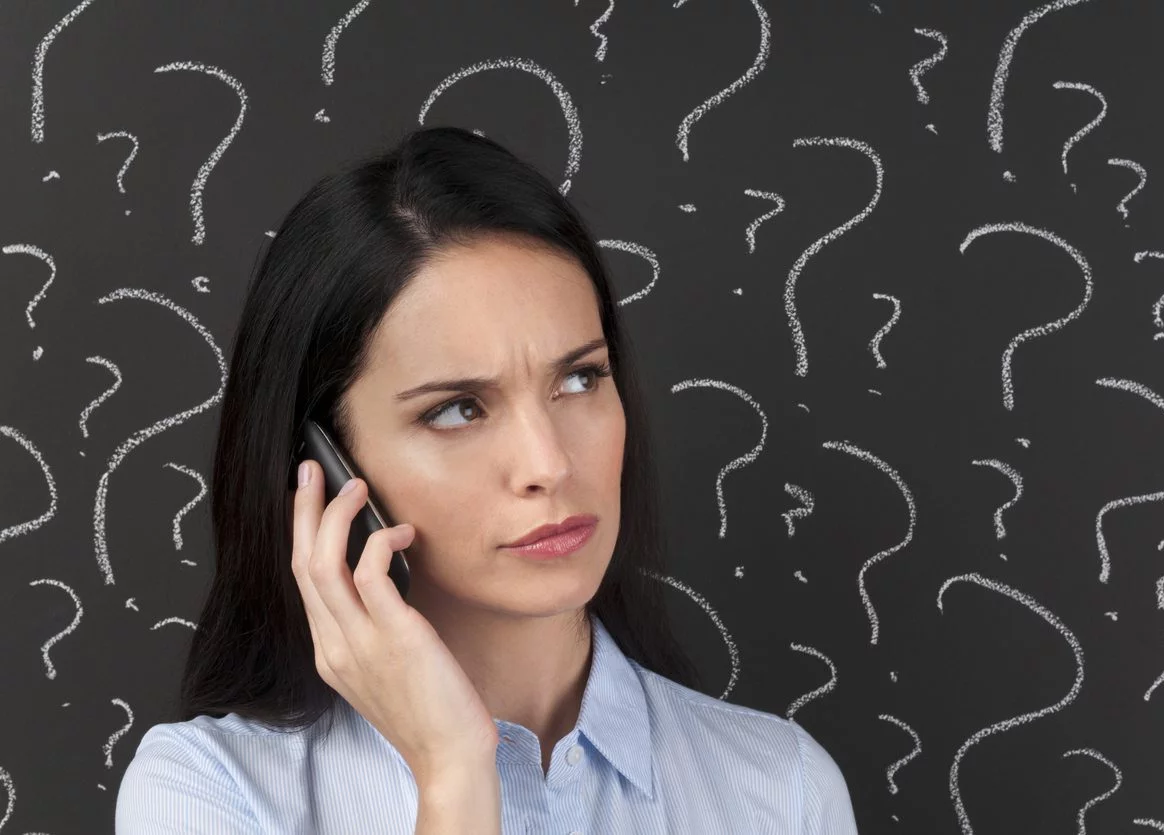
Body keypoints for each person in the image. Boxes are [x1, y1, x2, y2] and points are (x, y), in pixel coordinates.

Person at [114, 125, 859, 834]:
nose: (548, 464)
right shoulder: (211, 792)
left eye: (578, 379)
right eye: (457, 409)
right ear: (325, 463)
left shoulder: (779, 791)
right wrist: (453, 773)